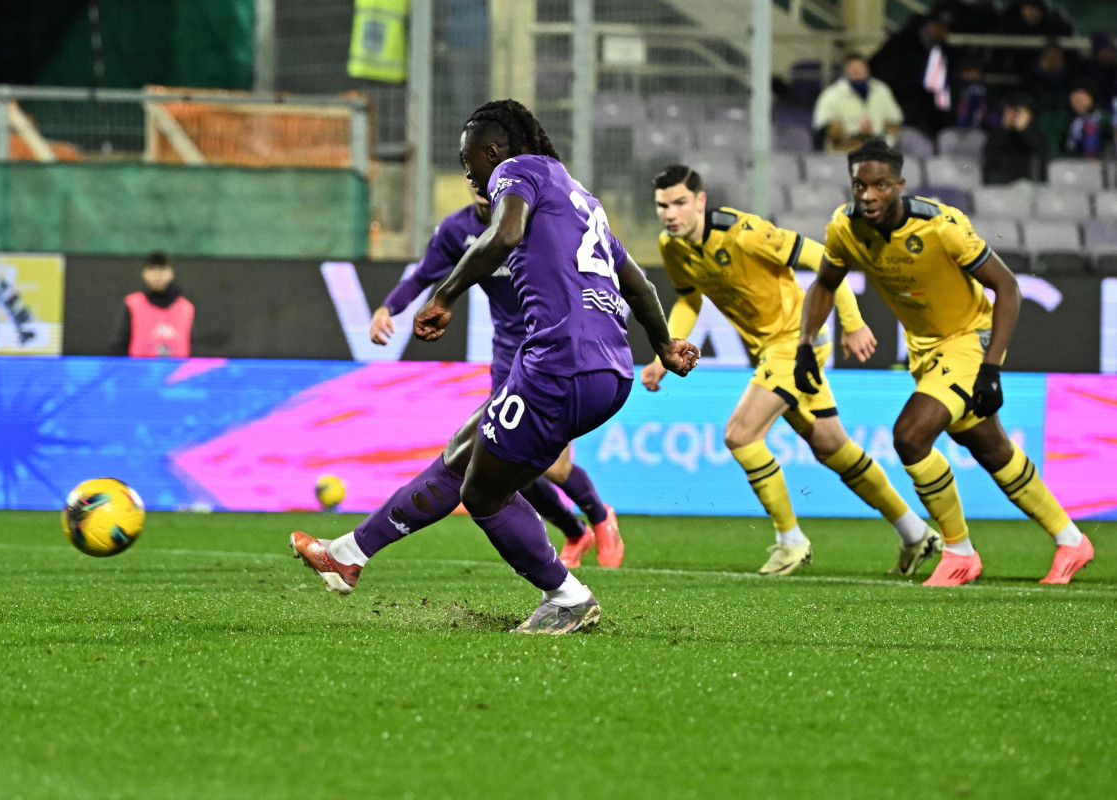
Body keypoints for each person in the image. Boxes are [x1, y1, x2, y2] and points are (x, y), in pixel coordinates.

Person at [290, 99, 700, 633]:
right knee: (466, 448)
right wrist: (664, 345)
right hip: (610, 369)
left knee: (482, 493)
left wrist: (445, 295)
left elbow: (504, 234)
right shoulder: (583, 202)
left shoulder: (517, 170)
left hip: (560, 361)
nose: (469, 175)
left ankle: (568, 596)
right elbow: (638, 284)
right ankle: (349, 554)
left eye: (469, 162)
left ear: (492, 151)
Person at [794, 138, 1094, 587]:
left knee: (910, 436)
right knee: (991, 449)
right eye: (860, 186)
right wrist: (804, 343)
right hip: (925, 348)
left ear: (900, 184)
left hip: (970, 340)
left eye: (879, 185)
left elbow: (1007, 288)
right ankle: (1071, 539)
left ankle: (959, 552)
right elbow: (824, 284)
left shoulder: (942, 226)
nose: (869, 195)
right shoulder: (844, 227)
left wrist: (991, 367)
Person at [643, 165, 941, 577]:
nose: (670, 213)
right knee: (833, 448)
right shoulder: (671, 246)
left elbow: (826, 259)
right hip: (769, 349)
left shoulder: (744, 232)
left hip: (796, 343)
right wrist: (665, 352)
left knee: (740, 434)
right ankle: (915, 532)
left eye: (679, 203)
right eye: (663, 206)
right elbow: (689, 300)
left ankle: (790, 541)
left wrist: (852, 321)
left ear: (700, 201)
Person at [368, 178, 624, 568]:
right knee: (506, 465)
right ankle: (575, 532)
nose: (477, 182)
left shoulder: (541, 220)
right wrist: (389, 307)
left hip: (557, 348)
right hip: (509, 357)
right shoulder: (457, 230)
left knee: (552, 464)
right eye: (470, 173)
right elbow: (423, 276)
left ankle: (601, 516)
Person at [869, 4, 957, 139]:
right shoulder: (902, 43)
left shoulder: (944, 52)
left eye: (945, 28)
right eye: (938, 25)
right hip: (899, 107)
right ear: (929, 24)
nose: (941, 30)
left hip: (928, 117)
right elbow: (881, 73)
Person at [812, 54, 904, 151]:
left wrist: (880, 133)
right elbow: (823, 128)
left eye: (860, 67)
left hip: (879, 148)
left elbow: (895, 120)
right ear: (846, 71)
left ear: (867, 70)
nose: (856, 71)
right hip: (845, 150)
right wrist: (856, 132)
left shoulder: (881, 90)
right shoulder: (831, 94)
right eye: (852, 68)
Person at [111, 251, 194, 357]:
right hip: (141, 370)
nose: (157, 275)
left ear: (171, 273)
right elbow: (119, 343)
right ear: (144, 273)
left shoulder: (186, 308)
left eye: (162, 269)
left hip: (176, 371)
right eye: (152, 269)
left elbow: (193, 345)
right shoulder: (132, 304)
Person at [982, 93, 1048, 184]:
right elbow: (989, 157)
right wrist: (1006, 126)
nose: (1014, 116)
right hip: (1001, 187)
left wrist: (1023, 129)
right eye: (1009, 112)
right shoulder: (996, 135)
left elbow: (1038, 150)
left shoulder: (1037, 134)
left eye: (1019, 112)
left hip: (1028, 187)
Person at [1060, 80, 1114, 159]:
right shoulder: (1062, 119)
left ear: (1091, 98)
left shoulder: (1102, 119)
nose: (1079, 99)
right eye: (1075, 95)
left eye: (1083, 95)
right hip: (1068, 165)